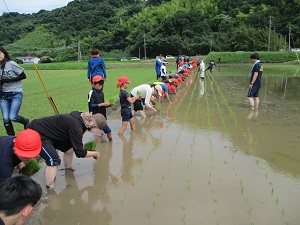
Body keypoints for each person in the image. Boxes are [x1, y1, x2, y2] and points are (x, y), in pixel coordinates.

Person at [27, 111, 107, 189]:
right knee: (54, 160)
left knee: (69, 149)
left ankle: (68, 170)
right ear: (92, 125)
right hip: (36, 132)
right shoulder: (77, 127)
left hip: (51, 133)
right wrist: (95, 153)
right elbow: (80, 153)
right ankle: (50, 189)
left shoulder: (81, 117)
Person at [0, 46, 29, 136]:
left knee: (12, 116)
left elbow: (23, 76)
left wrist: (7, 80)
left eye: (0, 53)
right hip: (3, 94)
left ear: (4, 53)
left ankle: (25, 121)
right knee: (6, 119)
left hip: (15, 93)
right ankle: (11, 138)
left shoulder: (11, 63)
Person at [88, 75, 112, 142]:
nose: (101, 86)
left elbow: (102, 104)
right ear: (93, 84)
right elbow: (91, 106)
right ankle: (100, 149)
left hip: (102, 116)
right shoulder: (91, 93)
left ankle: (109, 144)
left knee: (108, 132)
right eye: (99, 84)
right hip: (96, 117)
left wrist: (108, 105)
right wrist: (103, 104)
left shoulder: (101, 93)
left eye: (102, 84)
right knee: (100, 134)